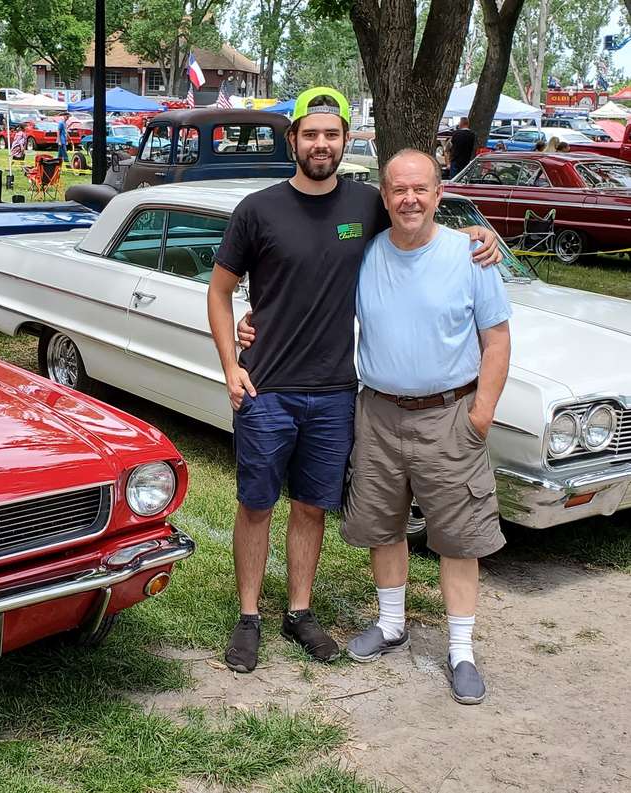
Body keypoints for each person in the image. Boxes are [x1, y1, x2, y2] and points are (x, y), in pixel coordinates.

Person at [205, 87, 502, 675]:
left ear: (346, 140)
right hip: (266, 387)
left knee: (312, 506)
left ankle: (298, 610)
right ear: (292, 140)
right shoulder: (257, 210)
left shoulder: (366, 204)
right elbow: (219, 292)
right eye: (310, 134)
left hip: (337, 392)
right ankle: (248, 617)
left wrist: (481, 236)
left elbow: (419, 216)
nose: (321, 144)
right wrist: (231, 364)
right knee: (256, 504)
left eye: (331, 134)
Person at [340, 149, 510, 705]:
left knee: (459, 536)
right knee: (381, 524)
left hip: (451, 416)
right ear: (384, 197)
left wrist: (480, 415)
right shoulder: (365, 255)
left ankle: (461, 649)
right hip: (380, 414)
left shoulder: (470, 255)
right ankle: (391, 624)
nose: (409, 199)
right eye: (397, 190)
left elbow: (497, 340)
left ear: (439, 194)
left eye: (420, 189)